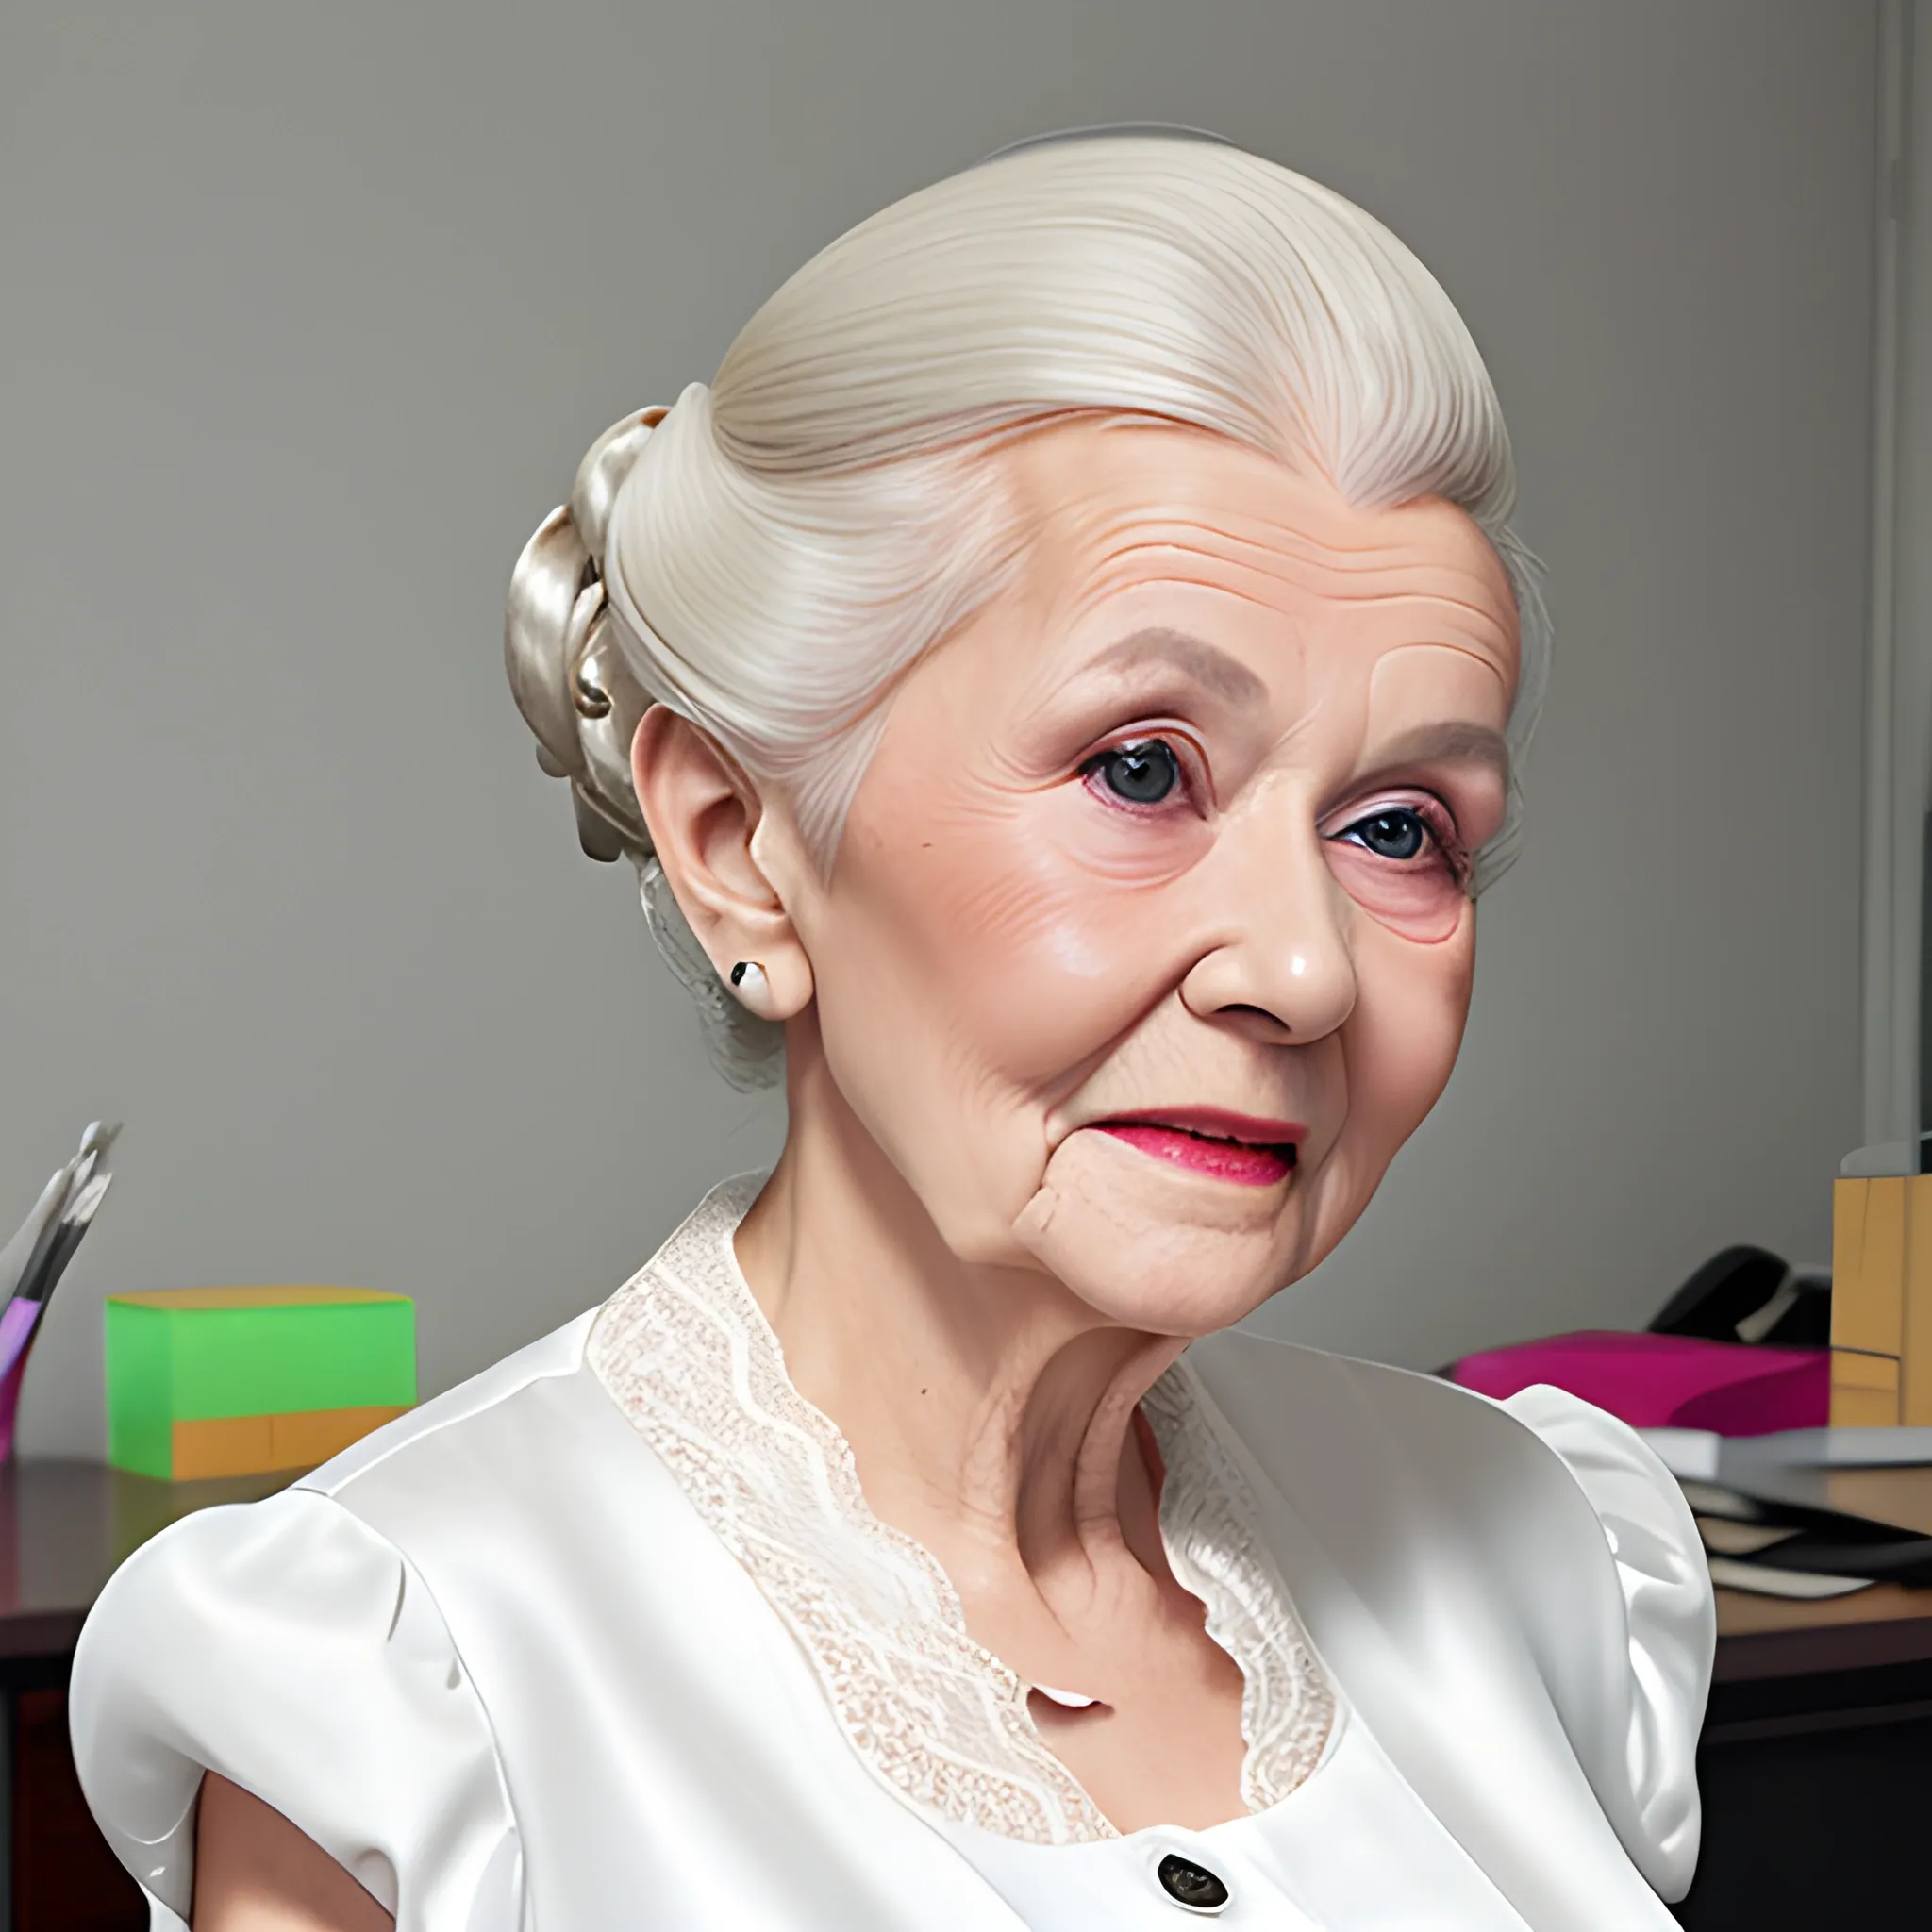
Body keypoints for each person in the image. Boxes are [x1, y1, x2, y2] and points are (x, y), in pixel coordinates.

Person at [71, 129, 1713, 1930]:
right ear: (744, 851)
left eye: (1399, 827)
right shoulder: (417, 1693)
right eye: (1142, 769)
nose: (1305, 973)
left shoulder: (1535, 1557)